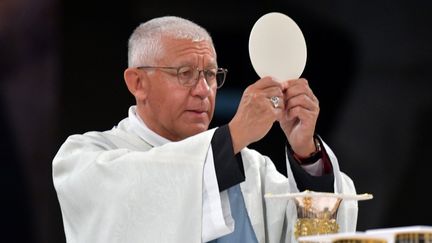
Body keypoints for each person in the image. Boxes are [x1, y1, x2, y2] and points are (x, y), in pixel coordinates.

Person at [52, 16, 358, 243]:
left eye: (210, 75)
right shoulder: (84, 159)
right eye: (185, 73)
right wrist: (235, 133)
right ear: (138, 83)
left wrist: (306, 152)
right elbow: (139, 195)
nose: (203, 90)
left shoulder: (251, 168)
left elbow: (312, 235)